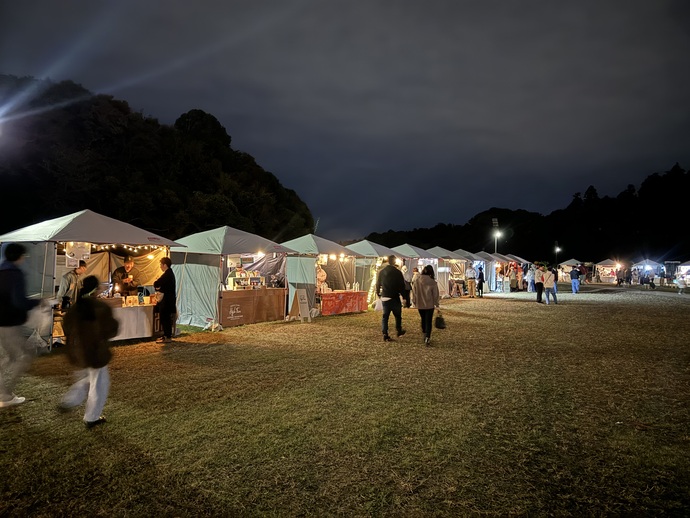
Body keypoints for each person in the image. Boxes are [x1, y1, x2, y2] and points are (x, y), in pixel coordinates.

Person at [60, 275, 119, 428]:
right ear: (96, 289)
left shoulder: (75, 307)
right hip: (96, 351)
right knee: (99, 384)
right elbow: (111, 330)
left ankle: (70, 400)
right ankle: (91, 417)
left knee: (87, 379)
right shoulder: (101, 308)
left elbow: (66, 327)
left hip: (79, 351)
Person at [0, 244, 41, 408]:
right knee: (25, 355)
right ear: (20, 257)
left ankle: (4, 393)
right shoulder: (15, 274)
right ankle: (6, 395)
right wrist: (39, 301)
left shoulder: (1, 271)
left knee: (10, 356)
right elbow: (19, 301)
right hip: (10, 322)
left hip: (2, 322)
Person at [375, 255, 407, 342]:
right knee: (398, 315)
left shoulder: (382, 272)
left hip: (385, 296)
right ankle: (399, 330)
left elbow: (378, 284)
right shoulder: (397, 272)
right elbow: (402, 286)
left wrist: (378, 293)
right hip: (394, 297)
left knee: (385, 317)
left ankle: (385, 333)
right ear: (394, 262)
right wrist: (404, 297)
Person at [412, 265, 440, 345]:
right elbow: (435, 295)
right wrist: (437, 304)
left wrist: (414, 301)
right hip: (429, 304)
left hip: (420, 304)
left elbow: (414, 292)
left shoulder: (417, 280)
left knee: (423, 319)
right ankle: (427, 336)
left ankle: (424, 333)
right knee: (429, 321)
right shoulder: (432, 282)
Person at [154, 257, 176, 343]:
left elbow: (157, 283)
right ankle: (166, 335)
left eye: (161, 264)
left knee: (165, 318)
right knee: (164, 318)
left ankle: (167, 336)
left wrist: (158, 286)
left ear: (165, 265)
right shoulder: (169, 273)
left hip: (167, 301)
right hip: (168, 300)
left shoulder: (167, 274)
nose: (160, 266)